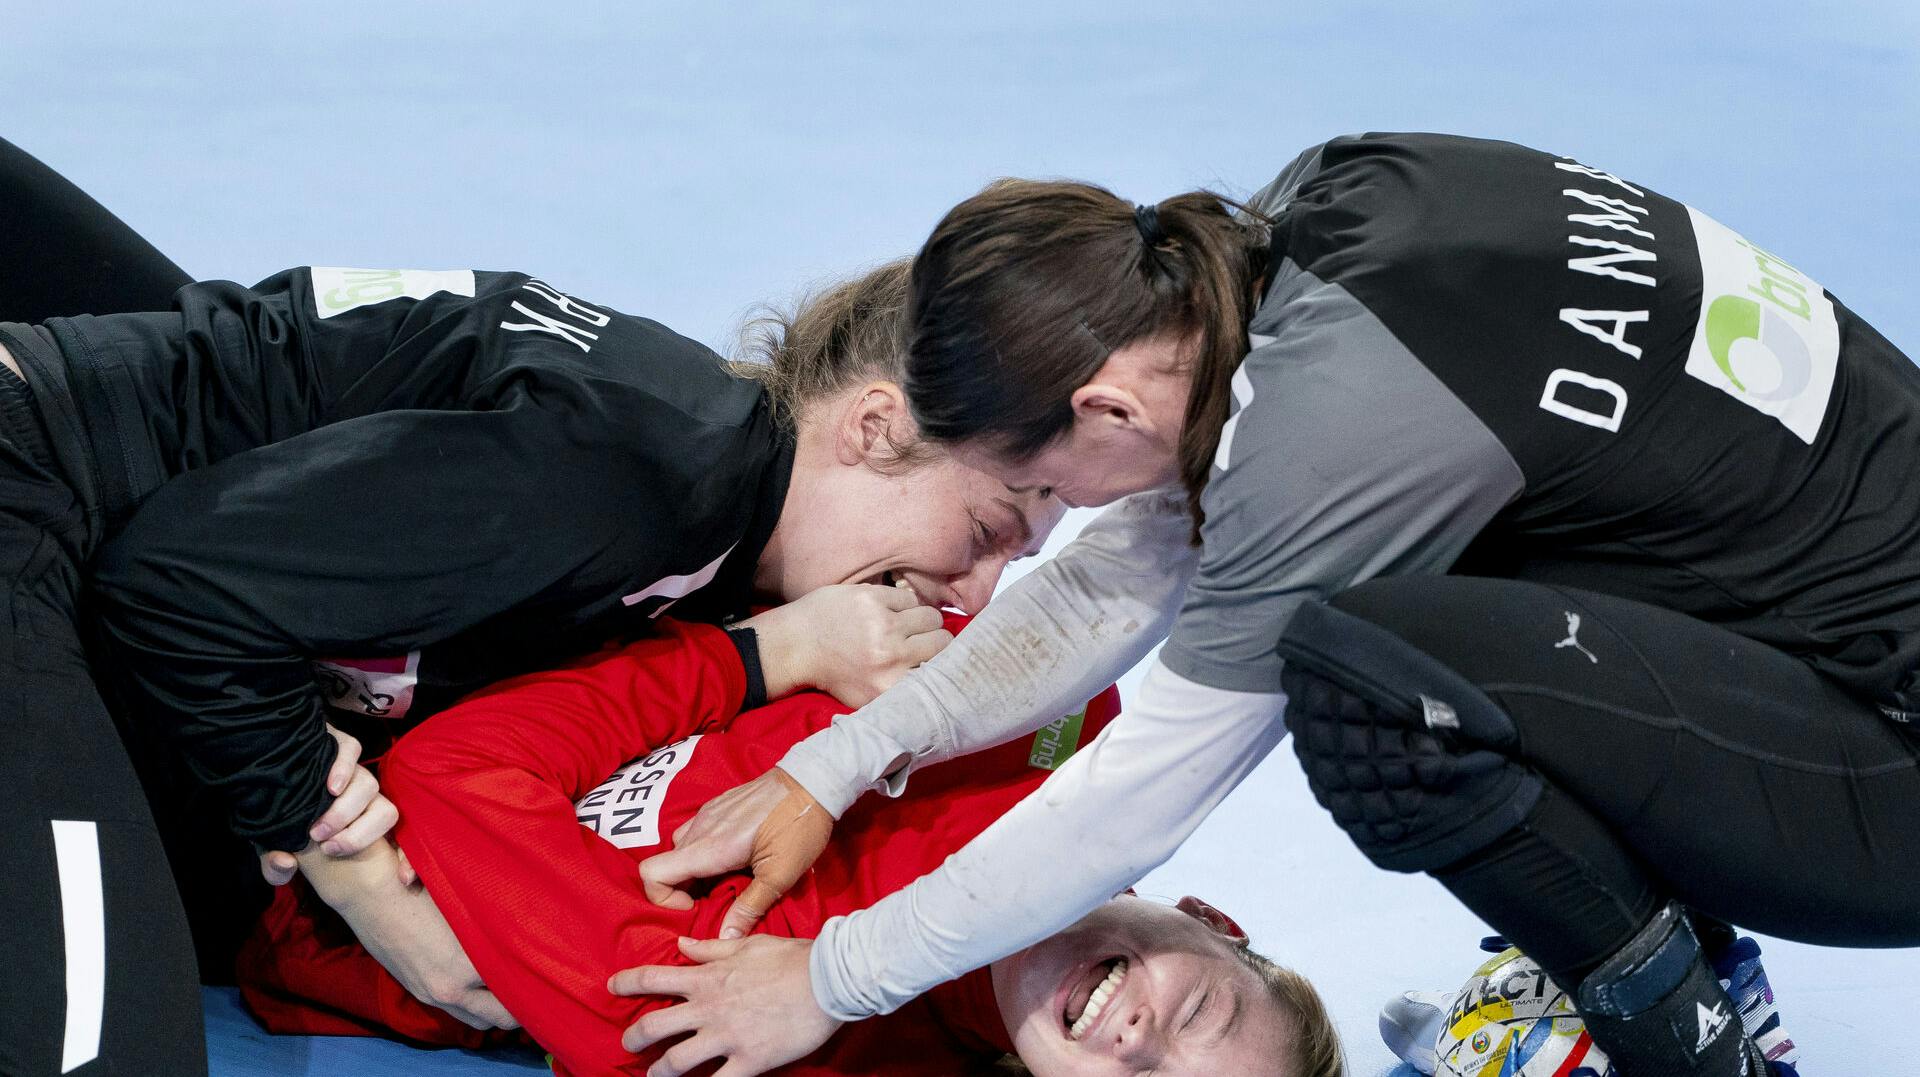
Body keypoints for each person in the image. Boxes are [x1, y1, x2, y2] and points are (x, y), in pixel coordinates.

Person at [629, 133, 1920, 1077]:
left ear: (1109, 411)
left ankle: (1692, 1051)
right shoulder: (1323, 210)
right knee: (1453, 558)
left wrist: (828, 979)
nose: (1044, 528)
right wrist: (836, 762)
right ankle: (1696, 955)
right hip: (1810, 664)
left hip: (1888, 783)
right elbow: (1125, 573)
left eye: (1038, 483)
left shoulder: (1341, 429)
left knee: (1377, 682)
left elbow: (1133, 796)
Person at [0, 135, 1049, 1077]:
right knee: (98, 1048)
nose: (978, 590)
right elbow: (172, 582)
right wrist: (359, 874)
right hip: (42, 501)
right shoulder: (645, 487)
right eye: (987, 532)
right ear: (873, 427)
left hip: (99, 546)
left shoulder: (702, 503)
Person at [232, 598, 1344, 1077]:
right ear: (1209, 920)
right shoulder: (1059, 725)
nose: (1142, 1042)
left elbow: (448, 772)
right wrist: (759, 652)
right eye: (1200, 1010)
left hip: (242, 841)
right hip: (348, 654)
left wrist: (366, 873)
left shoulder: (747, 1039)